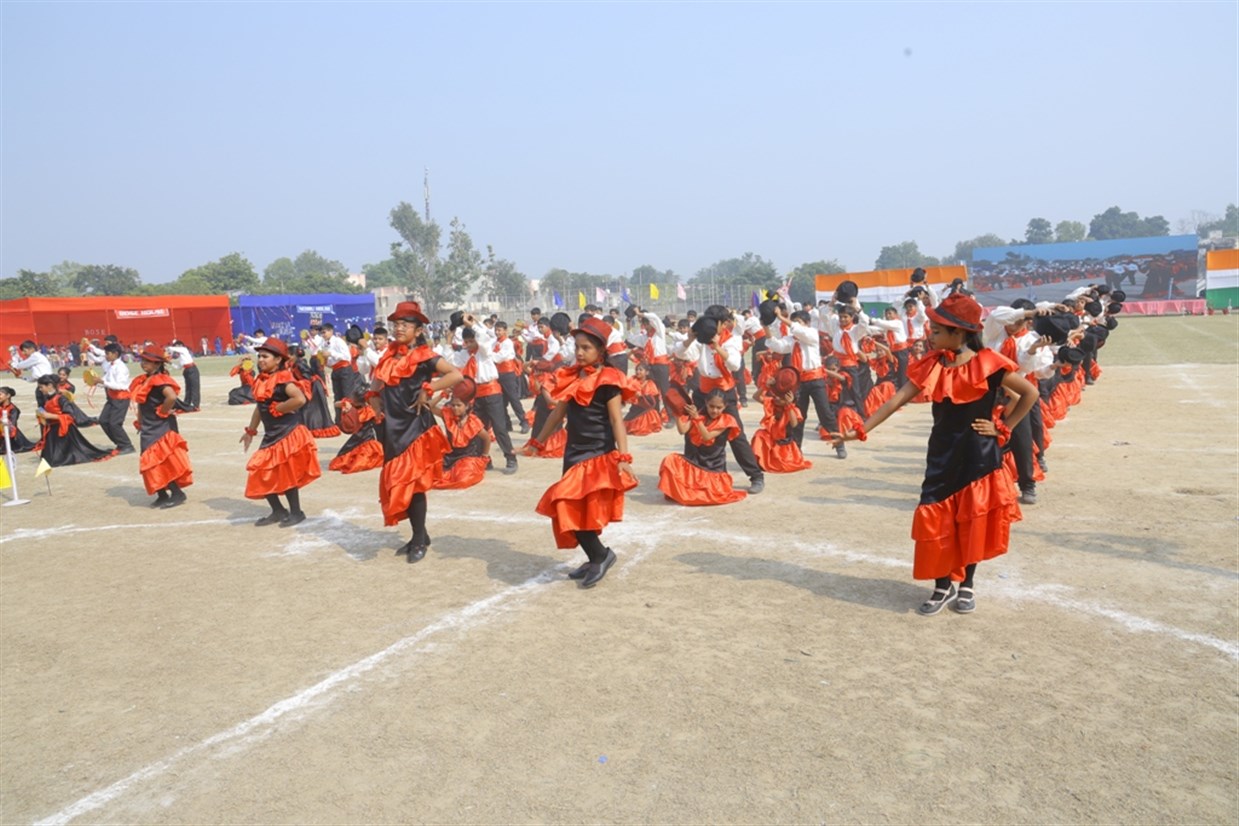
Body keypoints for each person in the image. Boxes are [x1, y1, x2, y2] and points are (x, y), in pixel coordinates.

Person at [833, 292, 1038, 616]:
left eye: (937, 330)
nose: (930, 334)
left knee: (971, 519)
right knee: (936, 518)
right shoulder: (932, 364)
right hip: (942, 454)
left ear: (959, 333)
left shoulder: (988, 363)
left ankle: (967, 584)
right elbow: (895, 400)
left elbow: (1029, 393)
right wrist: (859, 430)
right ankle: (942, 586)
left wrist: (1003, 427)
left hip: (978, 455)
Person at [524, 316, 636, 589]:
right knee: (576, 509)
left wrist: (623, 457)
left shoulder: (609, 380)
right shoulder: (573, 376)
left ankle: (601, 556)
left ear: (601, 351)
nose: (580, 352)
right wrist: (536, 443)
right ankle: (595, 556)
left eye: (586, 347)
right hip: (573, 452)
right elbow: (556, 415)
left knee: (565, 503)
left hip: (597, 454)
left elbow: (616, 421)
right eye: (577, 347)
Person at [369, 302, 461, 563]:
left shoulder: (425, 356)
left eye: (405, 324)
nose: (399, 328)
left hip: (415, 427)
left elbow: (456, 375)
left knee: (414, 485)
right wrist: (375, 405)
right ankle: (420, 534)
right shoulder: (387, 357)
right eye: (396, 324)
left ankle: (419, 539)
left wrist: (428, 389)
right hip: (391, 428)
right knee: (399, 483)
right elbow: (375, 387)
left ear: (418, 330)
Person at [240, 339, 321, 527]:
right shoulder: (262, 380)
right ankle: (278, 510)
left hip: (287, 432)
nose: (261, 359)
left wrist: (280, 408)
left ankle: (296, 512)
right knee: (261, 470)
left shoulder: (283, 378)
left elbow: (299, 399)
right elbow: (260, 408)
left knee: (286, 473)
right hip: (272, 434)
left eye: (265, 356)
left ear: (278, 360)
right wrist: (251, 431)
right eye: (259, 356)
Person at [692, 308, 765, 493]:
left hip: (723, 392)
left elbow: (734, 364)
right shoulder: (702, 339)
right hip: (703, 391)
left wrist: (717, 347)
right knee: (694, 432)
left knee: (736, 435)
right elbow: (682, 353)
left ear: (723, 324)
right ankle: (693, 474)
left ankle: (756, 475)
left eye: (714, 322)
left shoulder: (731, 340)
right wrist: (691, 338)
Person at [657, 389, 748, 506]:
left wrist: (696, 418)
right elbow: (682, 430)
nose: (714, 410)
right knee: (670, 460)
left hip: (713, 468)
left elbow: (707, 436)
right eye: (711, 406)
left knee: (704, 494)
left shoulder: (727, 420)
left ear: (725, 407)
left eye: (719, 407)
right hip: (696, 462)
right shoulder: (700, 415)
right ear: (706, 403)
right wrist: (677, 413)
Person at [129, 349, 192, 507]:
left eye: (148, 361)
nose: (144, 363)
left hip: (160, 424)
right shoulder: (145, 379)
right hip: (149, 424)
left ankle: (177, 493)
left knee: (160, 458)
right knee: (149, 457)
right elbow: (142, 403)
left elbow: (171, 396)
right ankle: (162, 494)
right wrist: (140, 421)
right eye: (143, 360)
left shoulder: (159, 379)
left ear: (157, 364)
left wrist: (162, 411)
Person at [430, 377, 490, 490]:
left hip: (468, 457)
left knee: (463, 479)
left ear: (467, 406)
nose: (455, 408)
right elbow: (429, 406)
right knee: (431, 475)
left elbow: (486, 438)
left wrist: (484, 456)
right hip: (450, 456)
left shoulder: (473, 421)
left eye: (458, 405)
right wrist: (443, 394)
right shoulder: (447, 415)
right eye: (453, 405)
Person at [751, 368, 813, 474]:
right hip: (771, 440)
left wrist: (788, 405)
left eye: (781, 397)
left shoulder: (792, 409)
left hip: (784, 444)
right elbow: (756, 397)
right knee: (759, 435)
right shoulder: (771, 402)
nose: (777, 399)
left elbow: (794, 424)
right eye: (776, 396)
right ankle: (760, 461)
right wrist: (765, 386)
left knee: (783, 465)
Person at [97, 343, 136, 454]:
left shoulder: (121, 368)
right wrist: (96, 382)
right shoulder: (111, 365)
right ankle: (120, 443)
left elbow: (121, 386)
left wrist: (103, 382)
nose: (106, 356)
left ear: (115, 354)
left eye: (107, 354)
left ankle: (127, 445)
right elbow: (106, 379)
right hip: (112, 397)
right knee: (103, 420)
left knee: (115, 423)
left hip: (121, 398)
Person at [623, 361, 663, 436]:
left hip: (646, 408)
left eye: (640, 370)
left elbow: (652, 401)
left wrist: (641, 396)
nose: (638, 372)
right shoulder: (633, 381)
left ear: (647, 372)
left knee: (640, 428)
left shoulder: (650, 383)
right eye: (637, 370)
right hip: (635, 408)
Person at [0, 386, 37, 453]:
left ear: (8, 396)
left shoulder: (13, 409)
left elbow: (12, 426)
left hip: (9, 432)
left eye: (0, 394)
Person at [167, 339, 200, 412]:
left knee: (194, 388)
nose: (176, 347)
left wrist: (167, 350)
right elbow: (178, 367)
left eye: (176, 346)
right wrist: (170, 363)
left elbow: (171, 348)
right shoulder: (180, 356)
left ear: (180, 345)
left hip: (192, 369)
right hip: (186, 371)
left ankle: (195, 405)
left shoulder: (184, 349)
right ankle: (187, 404)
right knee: (188, 388)